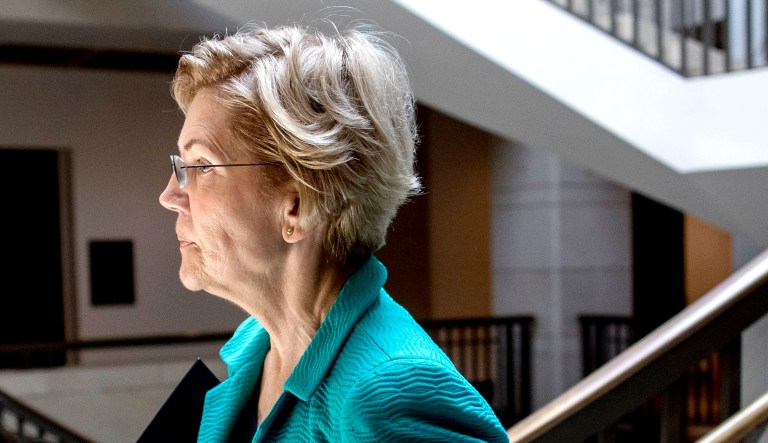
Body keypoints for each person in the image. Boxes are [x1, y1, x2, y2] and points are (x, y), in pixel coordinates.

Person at [159, 23, 508, 442]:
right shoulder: (257, 347)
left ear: (298, 206)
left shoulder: (392, 394)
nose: (169, 196)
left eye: (202, 166)